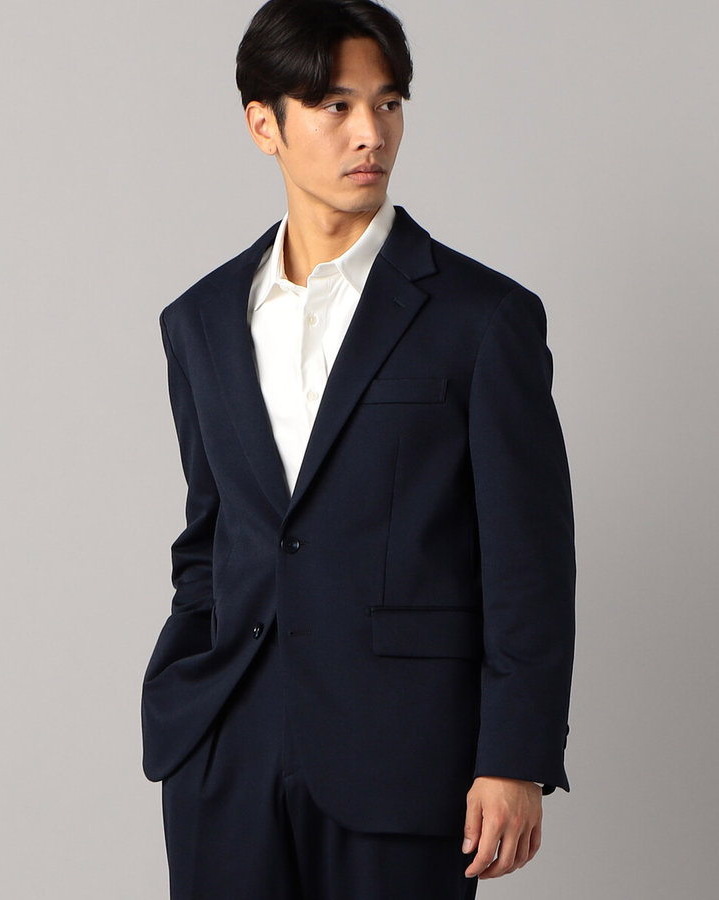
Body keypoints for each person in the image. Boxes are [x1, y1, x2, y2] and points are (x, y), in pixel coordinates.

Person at [140, 1, 576, 897]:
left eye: (387, 103)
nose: (370, 132)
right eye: (335, 105)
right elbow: (211, 538)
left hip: (406, 757)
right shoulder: (200, 321)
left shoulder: (482, 318)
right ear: (264, 125)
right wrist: (187, 701)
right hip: (225, 755)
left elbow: (528, 560)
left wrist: (515, 755)